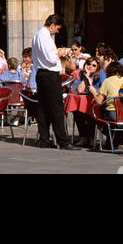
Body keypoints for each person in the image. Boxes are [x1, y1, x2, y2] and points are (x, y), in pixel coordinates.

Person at [32, 13, 79, 151]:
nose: (57, 31)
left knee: (43, 107)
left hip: (41, 72)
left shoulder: (37, 36)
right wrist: (61, 52)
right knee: (56, 107)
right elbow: (52, 59)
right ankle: (63, 141)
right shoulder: (45, 37)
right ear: (52, 26)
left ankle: (44, 139)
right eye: (56, 29)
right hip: (49, 74)